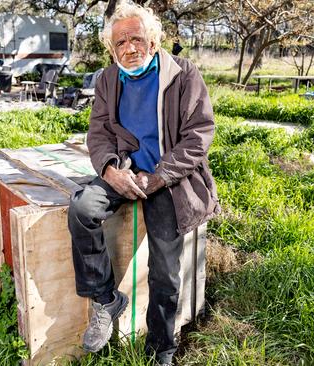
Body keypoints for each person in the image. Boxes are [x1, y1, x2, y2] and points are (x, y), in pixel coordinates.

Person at [67, 3, 220, 365]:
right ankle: (105, 297)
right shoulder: (108, 79)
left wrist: (158, 177)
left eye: (137, 38)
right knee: (82, 209)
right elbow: (99, 133)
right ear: (112, 49)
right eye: (121, 42)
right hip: (126, 170)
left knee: (165, 273)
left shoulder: (182, 75)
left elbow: (199, 136)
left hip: (168, 178)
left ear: (153, 41)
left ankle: (161, 351)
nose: (130, 48)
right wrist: (110, 171)